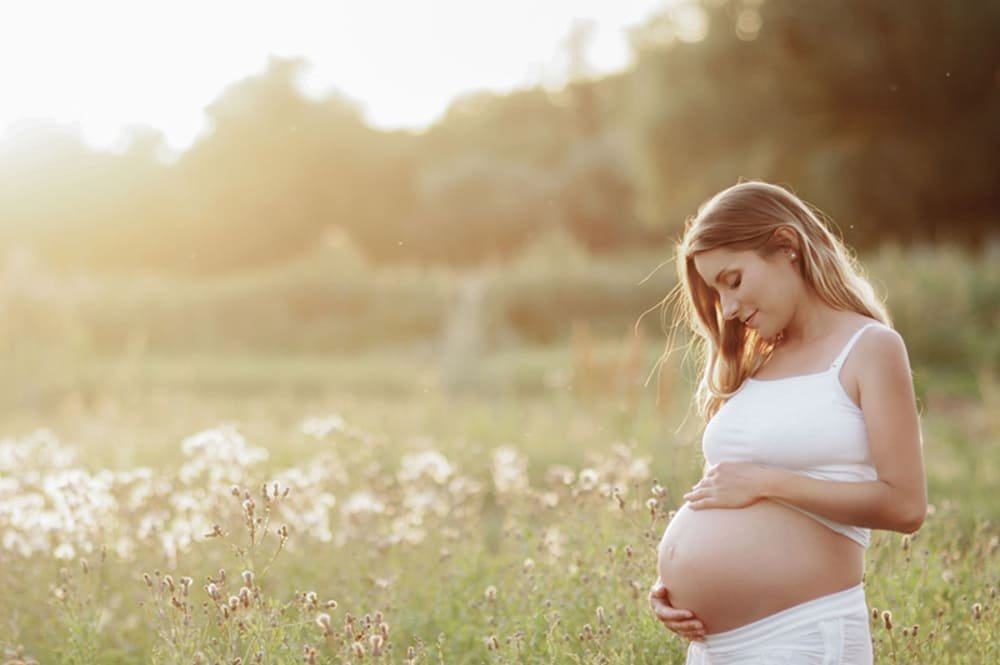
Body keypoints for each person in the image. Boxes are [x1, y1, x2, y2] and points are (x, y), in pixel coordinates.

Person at [646, 181, 927, 664]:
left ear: (786, 245)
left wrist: (769, 484)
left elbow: (905, 506)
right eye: (716, 292)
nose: (728, 309)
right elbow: (730, 488)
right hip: (713, 649)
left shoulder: (870, 348)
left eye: (732, 281)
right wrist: (672, 587)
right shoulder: (758, 361)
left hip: (801, 638)